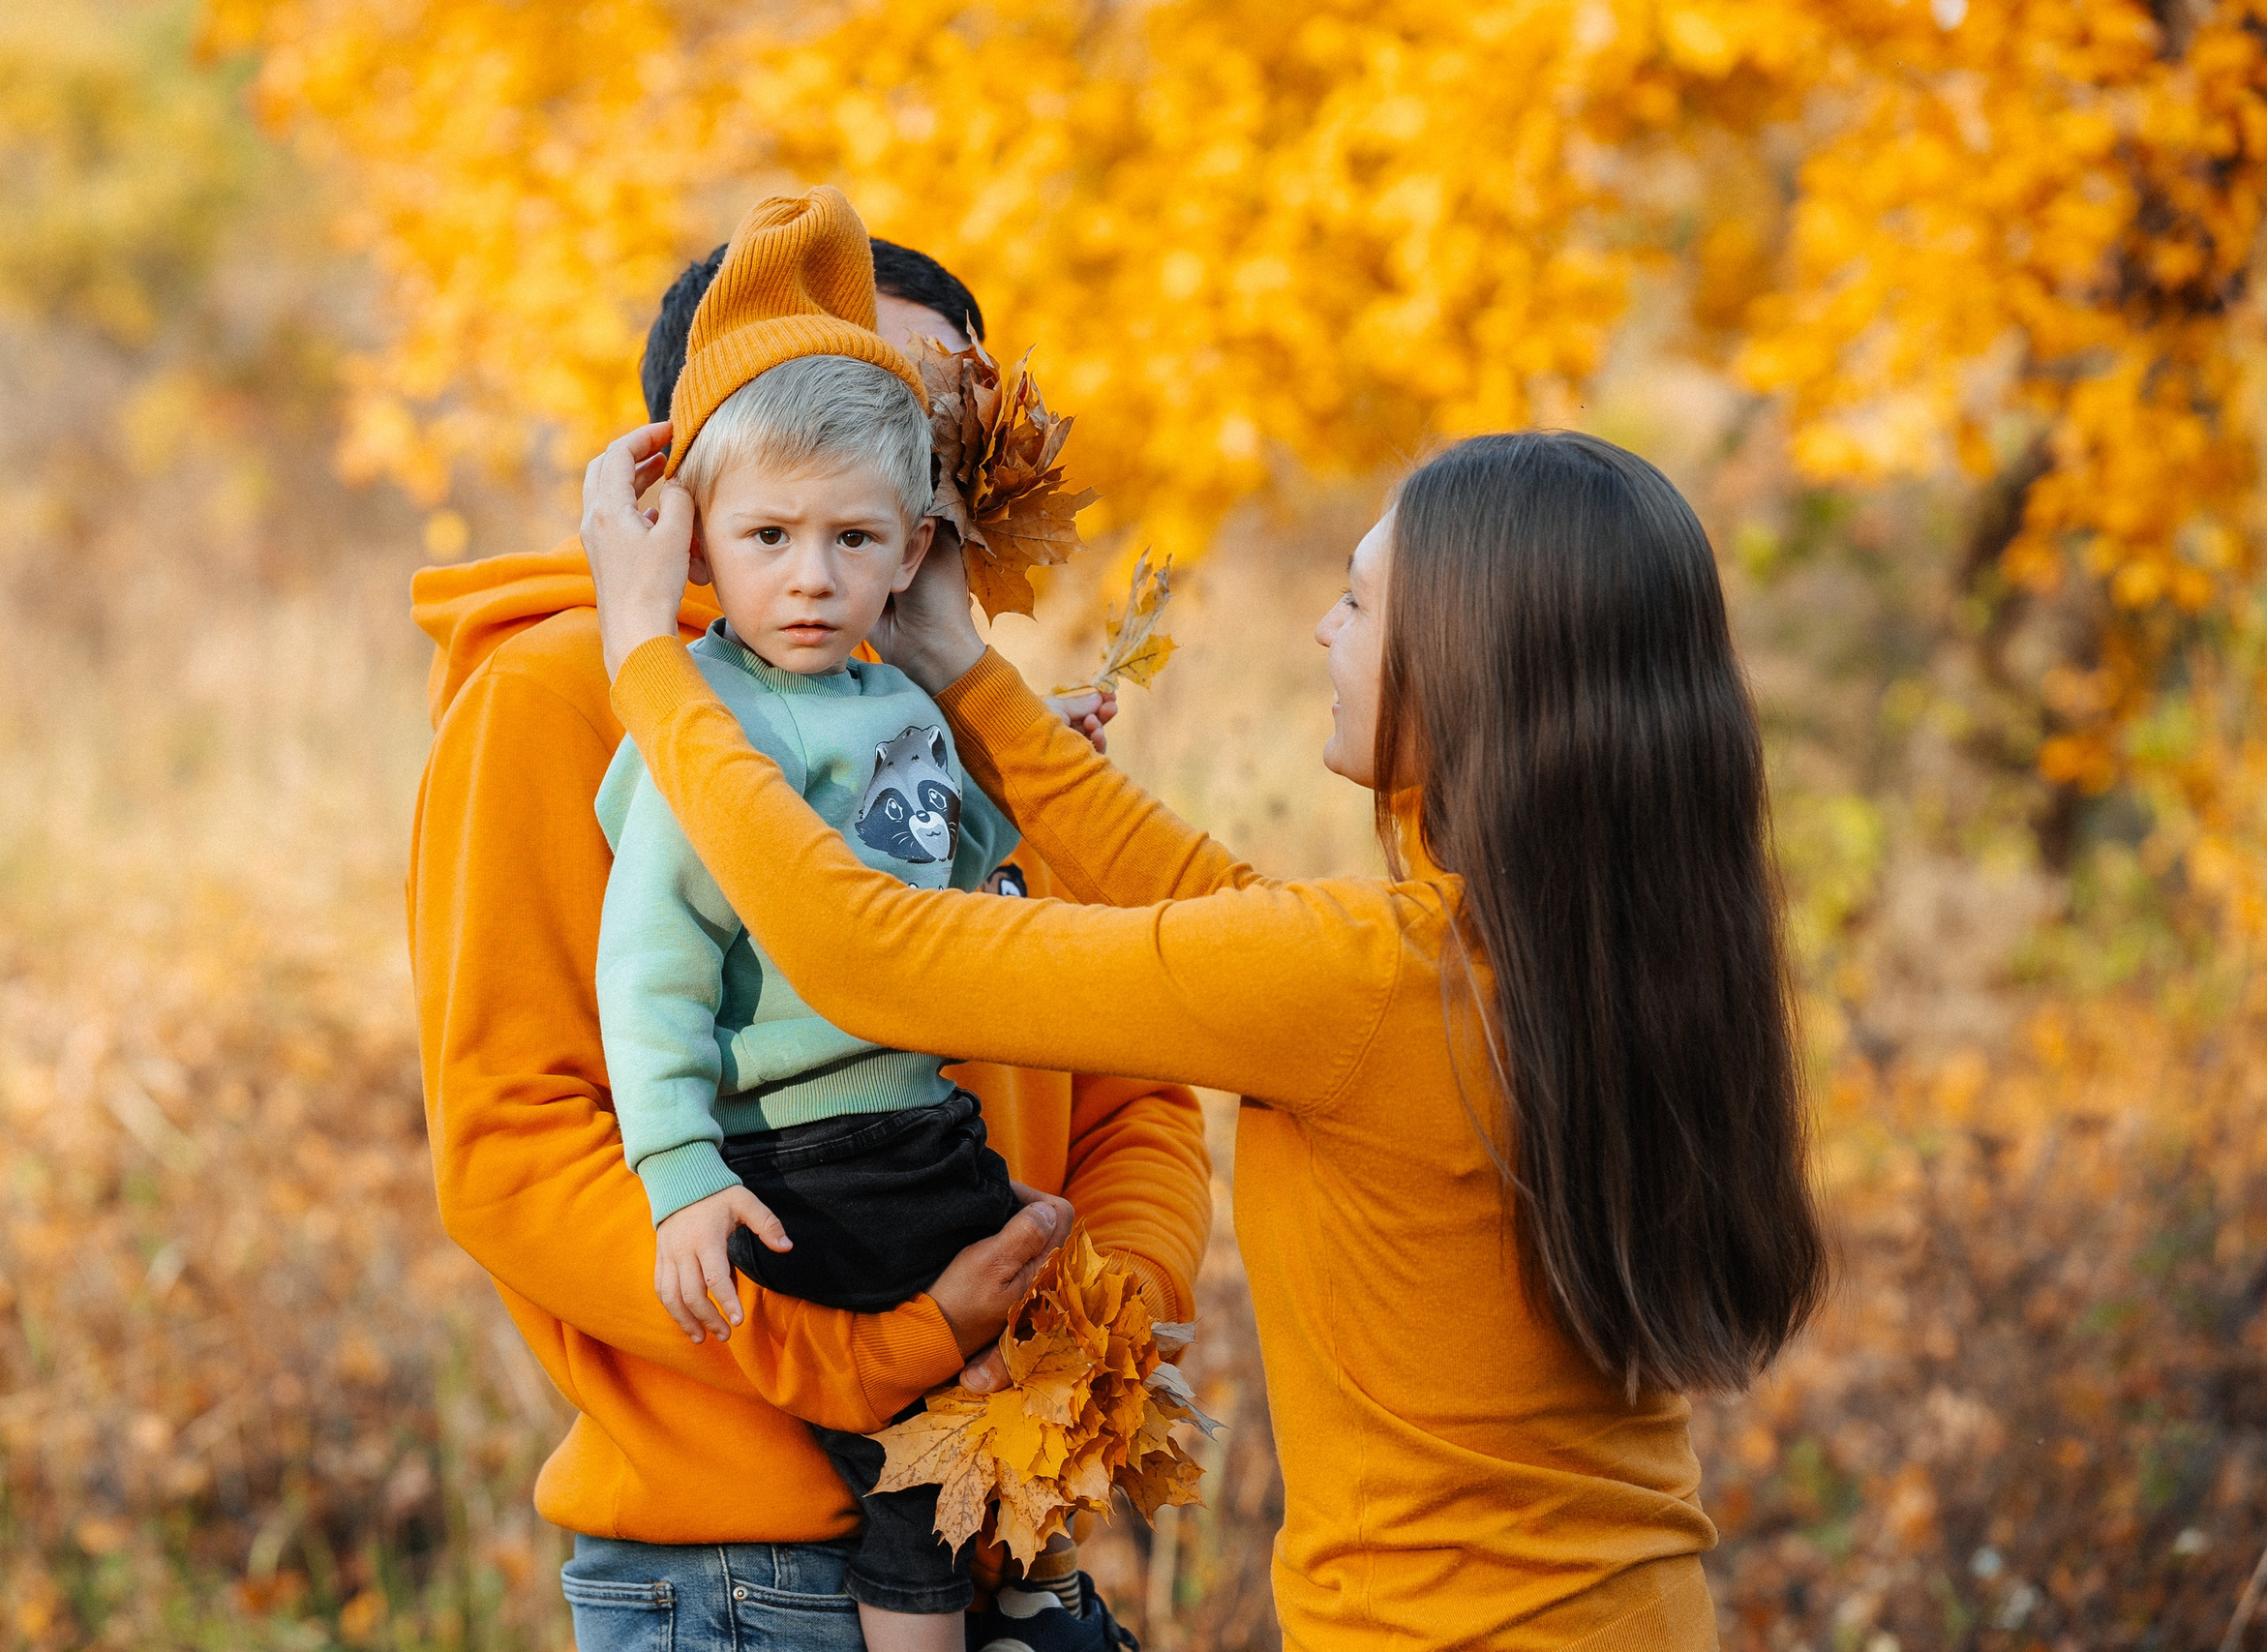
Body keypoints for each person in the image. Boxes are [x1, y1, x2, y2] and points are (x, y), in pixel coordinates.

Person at [580, 420, 1831, 1649]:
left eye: (1357, 600)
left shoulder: (1363, 982)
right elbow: (1218, 912)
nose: (1322, 630)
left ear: (1472, 662)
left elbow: (868, 952)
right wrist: (959, 670)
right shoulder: (1606, 954)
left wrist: (650, 659)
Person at [405, 206, 1210, 1650]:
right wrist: (885, 1351)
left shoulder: (950, 716)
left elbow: (1141, 1087)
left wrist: (1075, 1343)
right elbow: (510, 1148)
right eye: (833, 407)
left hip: (993, 1529)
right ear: (691, 474)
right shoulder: (553, 704)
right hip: (749, 1567)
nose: (892, 445)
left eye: (930, 437)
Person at [596, 189, 1034, 1652]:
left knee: (1037, 1356)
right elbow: (652, 960)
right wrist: (677, 1169)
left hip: (915, 1116)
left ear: (913, 551)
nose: (811, 576)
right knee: (933, 1441)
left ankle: (1025, 1591)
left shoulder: (896, 699)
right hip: (805, 1144)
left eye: (853, 540)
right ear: (697, 543)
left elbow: (951, 881)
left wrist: (1023, 781)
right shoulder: (705, 725)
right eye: (770, 535)